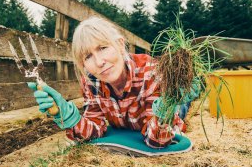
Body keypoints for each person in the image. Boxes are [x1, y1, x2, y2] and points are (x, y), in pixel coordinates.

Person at [28, 17, 196, 148]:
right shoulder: (92, 82)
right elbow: (94, 130)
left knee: (180, 106)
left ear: (120, 45)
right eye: (88, 56)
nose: (99, 61)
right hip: (131, 123)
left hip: (160, 111)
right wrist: (68, 117)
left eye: (103, 48)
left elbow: (156, 141)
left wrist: (165, 109)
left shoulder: (150, 71)